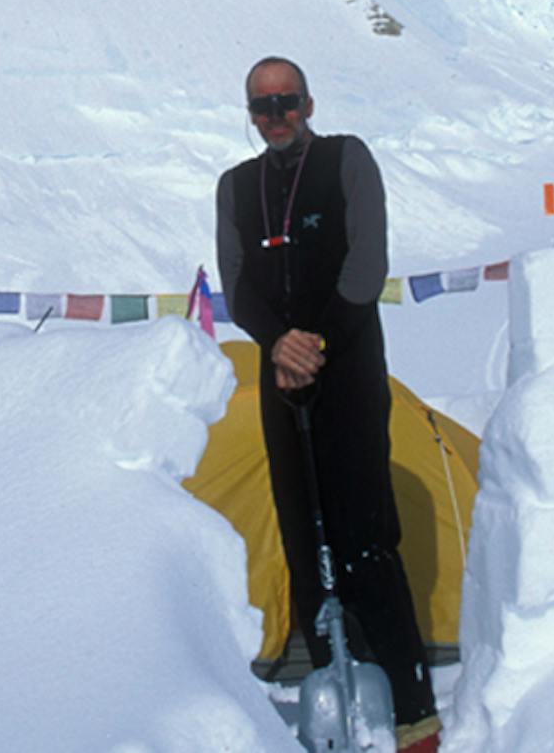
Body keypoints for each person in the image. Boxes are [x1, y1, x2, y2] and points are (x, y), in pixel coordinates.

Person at [215, 56, 439, 752]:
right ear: (249, 113)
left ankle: (411, 713)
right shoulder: (236, 186)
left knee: (363, 533)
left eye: (286, 101)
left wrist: (311, 343)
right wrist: (277, 344)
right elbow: (237, 280)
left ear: (308, 103)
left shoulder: (347, 160)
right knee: (300, 533)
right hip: (281, 376)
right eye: (262, 106)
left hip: (346, 368)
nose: (276, 116)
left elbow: (366, 264)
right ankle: (334, 705)